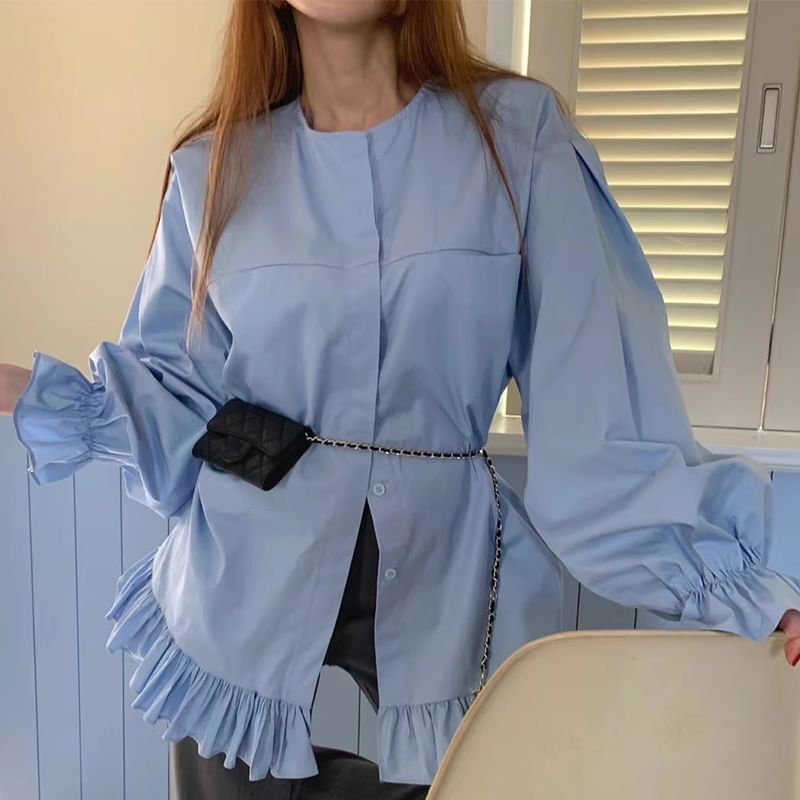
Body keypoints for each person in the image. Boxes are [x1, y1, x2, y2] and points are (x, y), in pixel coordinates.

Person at [2, 1, 800, 798]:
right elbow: (176, 404)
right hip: (236, 590)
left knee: (488, 778)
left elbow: (601, 419)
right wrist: (32, 393)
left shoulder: (517, 141)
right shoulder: (213, 169)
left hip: (450, 586)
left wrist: (750, 585)